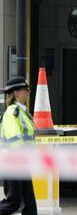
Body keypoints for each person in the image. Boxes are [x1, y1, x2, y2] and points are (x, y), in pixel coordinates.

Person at [0, 76, 37, 215]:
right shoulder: (12, 112)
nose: (28, 92)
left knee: (30, 205)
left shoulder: (22, 112)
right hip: (14, 164)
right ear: (16, 93)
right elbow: (14, 140)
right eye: (25, 89)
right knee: (12, 203)